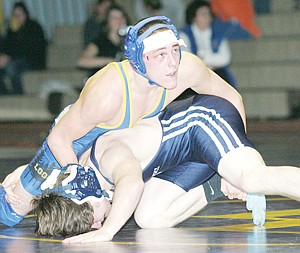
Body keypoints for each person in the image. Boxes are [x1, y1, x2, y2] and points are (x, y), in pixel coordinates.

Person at [1, 15, 263, 228]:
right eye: (161, 55)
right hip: (78, 134)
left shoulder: (183, 70)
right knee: (10, 210)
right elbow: (60, 139)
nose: (172, 63)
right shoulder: (108, 93)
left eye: (175, 52)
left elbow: (231, 96)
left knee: (131, 202)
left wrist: (237, 159)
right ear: (142, 60)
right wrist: (69, 178)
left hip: (117, 136)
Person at [31, 93, 300, 245]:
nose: (99, 223)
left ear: (85, 193)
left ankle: (236, 172)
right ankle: (219, 179)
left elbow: (132, 184)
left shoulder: (108, 157)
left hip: (202, 120)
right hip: (187, 156)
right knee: (150, 217)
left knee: (252, 178)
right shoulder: (75, 176)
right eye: (96, 226)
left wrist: (107, 231)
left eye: (94, 219)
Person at [179, 0, 255, 94]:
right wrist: (209, 62)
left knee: (224, 83)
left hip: (214, 73)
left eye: (208, 14)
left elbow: (225, 58)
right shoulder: (184, 35)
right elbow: (186, 58)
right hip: (194, 75)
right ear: (194, 17)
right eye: (203, 14)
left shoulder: (217, 33)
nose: (206, 17)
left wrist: (204, 59)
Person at [0, 1, 47, 95]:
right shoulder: (12, 30)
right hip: (16, 60)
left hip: (33, 61)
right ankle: (5, 94)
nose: (18, 17)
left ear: (25, 13)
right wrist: (3, 57)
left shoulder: (33, 27)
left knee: (11, 67)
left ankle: (18, 95)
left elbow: (28, 49)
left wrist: (9, 57)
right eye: (15, 15)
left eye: (20, 14)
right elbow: (6, 46)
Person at [77, 4, 130, 77]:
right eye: (115, 18)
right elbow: (82, 62)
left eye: (122, 17)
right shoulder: (99, 42)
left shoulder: (130, 40)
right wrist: (111, 61)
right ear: (107, 21)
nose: (119, 20)